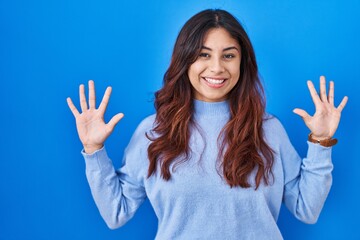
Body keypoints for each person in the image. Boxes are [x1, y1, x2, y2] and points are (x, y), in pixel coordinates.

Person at [66, 9, 348, 240]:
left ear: (242, 62)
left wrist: (320, 143)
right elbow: (117, 213)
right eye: (203, 54)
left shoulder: (267, 129)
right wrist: (94, 149)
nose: (216, 68)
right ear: (184, 60)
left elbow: (306, 209)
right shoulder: (154, 132)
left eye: (228, 55)